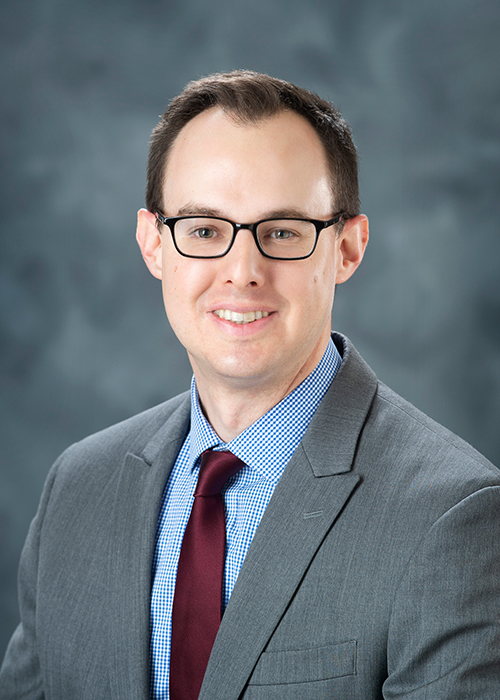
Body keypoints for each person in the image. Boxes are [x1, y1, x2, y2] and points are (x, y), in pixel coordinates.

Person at [1, 70, 499, 700]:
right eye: (205, 230)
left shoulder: (453, 517)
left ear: (347, 248)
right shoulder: (79, 488)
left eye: (283, 233)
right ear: (154, 245)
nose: (242, 272)